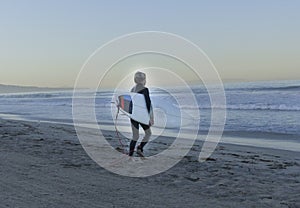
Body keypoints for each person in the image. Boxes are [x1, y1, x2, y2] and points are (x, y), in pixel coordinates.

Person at [129, 71, 154, 156]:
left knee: (135, 136)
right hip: (142, 116)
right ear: (144, 80)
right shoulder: (145, 89)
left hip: (133, 116)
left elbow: (130, 104)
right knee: (148, 133)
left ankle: (130, 155)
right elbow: (148, 104)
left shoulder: (132, 89)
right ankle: (140, 148)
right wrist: (150, 118)